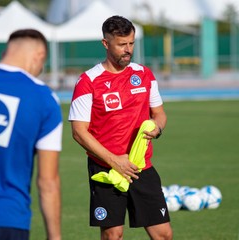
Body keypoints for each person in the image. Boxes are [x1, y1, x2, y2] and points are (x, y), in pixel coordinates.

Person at [68, 16, 173, 240]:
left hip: (141, 167)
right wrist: (115, 160)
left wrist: (158, 128)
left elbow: (159, 114)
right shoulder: (88, 81)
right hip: (106, 169)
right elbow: (78, 131)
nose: (128, 50)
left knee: (163, 234)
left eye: (131, 43)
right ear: (106, 44)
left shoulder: (144, 75)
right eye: (122, 44)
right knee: (113, 235)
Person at [0, 29, 63, 240]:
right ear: (40, 56)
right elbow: (48, 182)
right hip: (8, 218)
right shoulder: (44, 99)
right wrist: (54, 237)